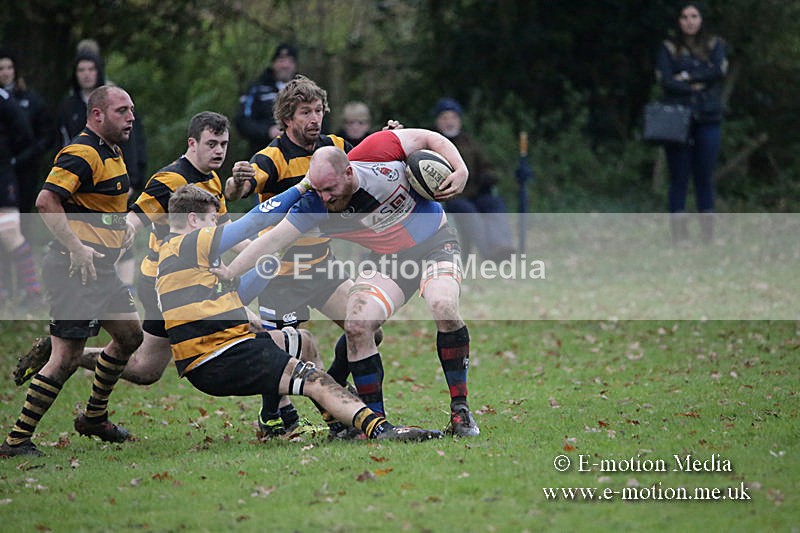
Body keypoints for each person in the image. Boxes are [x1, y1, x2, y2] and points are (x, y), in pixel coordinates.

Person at [12, 112, 321, 438]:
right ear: (192, 143)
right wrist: (109, 243)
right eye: (211, 144)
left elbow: (224, 232)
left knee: (146, 369)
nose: (219, 151)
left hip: (198, 280)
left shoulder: (213, 179)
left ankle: (71, 362)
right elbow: (134, 219)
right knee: (253, 327)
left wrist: (265, 247)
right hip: (166, 285)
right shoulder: (169, 179)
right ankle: (279, 414)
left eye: (224, 145)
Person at [215, 128, 482, 437]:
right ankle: (375, 423)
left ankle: (460, 410)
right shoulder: (314, 203)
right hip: (387, 259)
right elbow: (270, 240)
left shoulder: (377, 151)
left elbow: (428, 138)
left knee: (443, 306)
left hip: (436, 243)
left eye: (330, 189)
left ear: (348, 171)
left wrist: (460, 169)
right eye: (318, 190)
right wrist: (231, 273)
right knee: (357, 326)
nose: (325, 198)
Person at [154, 183, 441, 442]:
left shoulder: (184, 261)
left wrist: (277, 249)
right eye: (211, 221)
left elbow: (240, 294)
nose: (215, 228)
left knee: (304, 342)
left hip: (224, 349)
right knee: (314, 381)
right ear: (193, 220)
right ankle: (379, 430)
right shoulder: (186, 245)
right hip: (219, 356)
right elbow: (254, 220)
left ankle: (340, 426)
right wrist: (302, 188)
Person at [0, 86, 143, 458]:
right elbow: (46, 201)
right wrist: (77, 248)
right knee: (65, 357)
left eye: (131, 110)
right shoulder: (80, 152)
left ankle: (94, 417)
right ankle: (16, 440)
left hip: (102, 269)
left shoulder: (112, 151)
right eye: (122, 111)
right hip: (71, 268)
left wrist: (121, 226)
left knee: (130, 335)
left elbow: (97, 205)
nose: (131, 118)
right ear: (97, 115)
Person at [56, 48, 148, 288]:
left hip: (115, 178)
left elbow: (132, 142)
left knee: (119, 232)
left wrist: (133, 180)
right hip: (80, 181)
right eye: (81, 70)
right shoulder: (68, 106)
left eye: (91, 69)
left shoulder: (117, 101)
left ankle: (124, 287)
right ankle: (89, 283)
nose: (86, 74)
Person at [656, 2, 728, 244]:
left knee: (704, 174)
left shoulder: (715, 44)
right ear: (678, 20)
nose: (689, 21)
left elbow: (717, 72)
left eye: (694, 16)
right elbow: (666, 81)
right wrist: (697, 82)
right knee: (679, 176)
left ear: (701, 19)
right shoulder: (668, 48)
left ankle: (708, 235)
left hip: (708, 116)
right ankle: (679, 236)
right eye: (685, 16)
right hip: (678, 118)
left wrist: (685, 77)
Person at [433, 97, 516, 262]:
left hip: (477, 192)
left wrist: (489, 176)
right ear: (437, 121)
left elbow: (486, 165)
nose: (449, 122)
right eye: (444, 118)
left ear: (459, 120)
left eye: (453, 117)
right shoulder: (434, 143)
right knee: (468, 212)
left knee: (494, 203)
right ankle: (490, 253)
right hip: (453, 196)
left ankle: (502, 245)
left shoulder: (469, 142)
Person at [0, 84, 42, 308]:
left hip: (2, 175)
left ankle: (33, 291)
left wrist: (7, 155)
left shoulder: (3, 99)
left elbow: (24, 134)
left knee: (9, 234)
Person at [0, 49, 55, 217]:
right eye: (1, 68)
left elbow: (43, 134)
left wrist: (27, 155)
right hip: (3, 165)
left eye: (9, 67)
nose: (6, 72)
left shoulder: (32, 100)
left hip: (25, 167)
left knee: (22, 214)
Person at [235, 43, 298, 157]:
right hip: (262, 153)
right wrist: (268, 131)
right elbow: (242, 121)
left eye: (290, 61)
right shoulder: (257, 89)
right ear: (273, 63)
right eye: (281, 60)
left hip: (296, 155)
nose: (285, 65)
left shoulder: (304, 90)